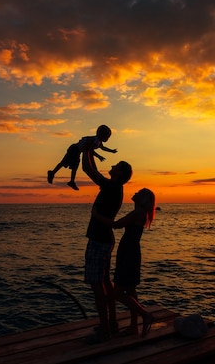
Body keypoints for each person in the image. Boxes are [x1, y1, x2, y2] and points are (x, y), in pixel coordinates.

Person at [81, 146, 132, 344]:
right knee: (106, 284)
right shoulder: (114, 187)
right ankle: (112, 323)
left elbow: (87, 169)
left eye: (116, 165)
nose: (112, 165)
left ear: (120, 173)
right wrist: (90, 151)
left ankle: (104, 330)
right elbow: (92, 168)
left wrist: (85, 149)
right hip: (105, 240)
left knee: (97, 286)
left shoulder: (112, 187)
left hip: (98, 240)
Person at [93, 188, 156, 337]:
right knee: (131, 291)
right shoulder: (141, 214)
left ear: (143, 199)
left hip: (128, 254)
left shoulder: (137, 214)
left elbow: (116, 224)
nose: (135, 192)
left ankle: (145, 314)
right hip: (132, 252)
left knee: (117, 293)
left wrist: (96, 215)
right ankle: (134, 327)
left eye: (139, 192)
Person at [47, 125, 117, 190]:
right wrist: (99, 156)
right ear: (103, 136)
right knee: (64, 162)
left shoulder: (99, 142)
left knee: (75, 166)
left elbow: (103, 148)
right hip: (74, 149)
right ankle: (52, 172)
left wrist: (111, 151)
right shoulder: (96, 141)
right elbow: (90, 150)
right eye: (107, 136)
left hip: (78, 151)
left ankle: (72, 181)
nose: (108, 138)